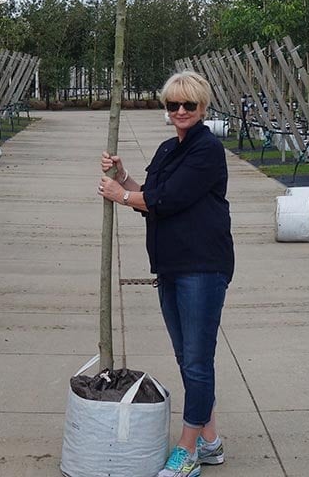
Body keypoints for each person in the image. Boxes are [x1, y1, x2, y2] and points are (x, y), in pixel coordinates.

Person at [98, 70, 234, 477]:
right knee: (187, 357)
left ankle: (187, 449)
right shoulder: (166, 149)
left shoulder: (207, 150)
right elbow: (149, 200)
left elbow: (168, 199)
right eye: (172, 105)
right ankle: (210, 441)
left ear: (203, 107)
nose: (179, 111)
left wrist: (121, 196)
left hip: (202, 267)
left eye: (188, 105)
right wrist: (124, 179)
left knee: (196, 360)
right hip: (171, 266)